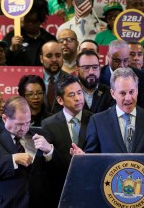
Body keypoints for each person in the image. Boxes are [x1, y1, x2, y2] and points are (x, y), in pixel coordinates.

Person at [0, 96, 54, 208]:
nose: (24, 128)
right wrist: (12, 160)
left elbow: (56, 171)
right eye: (20, 124)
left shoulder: (42, 135)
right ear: (5, 118)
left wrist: (49, 151)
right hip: (4, 204)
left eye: (28, 123)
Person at [41, 74, 93, 206]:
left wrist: (86, 158)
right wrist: (49, 152)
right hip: (60, 190)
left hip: (89, 187)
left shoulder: (95, 120)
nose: (78, 98)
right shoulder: (48, 124)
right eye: (71, 95)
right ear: (60, 100)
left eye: (79, 93)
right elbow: (46, 167)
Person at [4, 0, 56, 66]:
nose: (30, 24)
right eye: (27, 21)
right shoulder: (11, 37)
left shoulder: (50, 40)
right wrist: (11, 50)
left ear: (41, 21)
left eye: (34, 21)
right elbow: (2, 63)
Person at [99, 40, 144, 108]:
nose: (121, 65)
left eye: (125, 60)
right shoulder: (99, 76)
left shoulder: (140, 76)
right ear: (108, 56)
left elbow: (141, 106)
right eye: (117, 60)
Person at [40, 41, 68, 113]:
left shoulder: (70, 80)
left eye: (58, 56)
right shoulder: (34, 79)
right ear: (41, 59)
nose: (54, 60)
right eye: (49, 56)